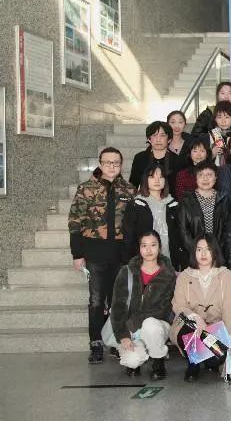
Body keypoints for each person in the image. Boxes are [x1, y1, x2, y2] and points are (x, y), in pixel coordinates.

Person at [68, 147, 136, 364]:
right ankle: (96, 342)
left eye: (116, 163)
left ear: (121, 165)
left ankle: (115, 340)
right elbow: (75, 222)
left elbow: (133, 224)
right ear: (100, 163)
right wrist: (77, 254)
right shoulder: (87, 188)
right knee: (97, 300)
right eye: (107, 162)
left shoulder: (129, 190)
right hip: (94, 252)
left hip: (120, 253)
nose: (112, 166)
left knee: (118, 300)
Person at [170, 234, 231, 382]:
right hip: (190, 326)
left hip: (216, 328)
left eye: (208, 249)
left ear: (215, 252)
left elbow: (230, 308)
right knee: (188, 331)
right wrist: (196, 318)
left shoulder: (226, 275)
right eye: (199, 249)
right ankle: (193, 364)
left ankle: (211, 361)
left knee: (216, 358)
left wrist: (229, 339)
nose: (203, 253)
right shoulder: (184, 276)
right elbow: (178, 305)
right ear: (193, 252)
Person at [110, 230, 176, 379]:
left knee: (150, 325)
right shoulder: (126, 272)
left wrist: (136, 322)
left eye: (153, 245)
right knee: (132, 362)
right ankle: (141, 353)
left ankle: (158, 360)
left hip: (157, 326)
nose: (148, 250)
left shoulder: (169, 274)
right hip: (131, 330)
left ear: (159, 247)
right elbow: (117, 307)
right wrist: (123, 335)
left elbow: (165, 309)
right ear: (139, 248)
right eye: (144, 245)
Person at [122, 165, 183, 269]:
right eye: (152, 177)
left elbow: (180, 234)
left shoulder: (174, 204)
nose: (157, 180)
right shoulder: (136, 204)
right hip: (143, 262)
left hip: (170, 261)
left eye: (161, 177)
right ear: (145, 180)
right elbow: (129, 237)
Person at [178, 163, 231, 256]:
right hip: (194, 254)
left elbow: (228, 229)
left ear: (215, 178)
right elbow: (183, 230)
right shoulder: (186, 200)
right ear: (196, 178)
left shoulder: (224, 199)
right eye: (201, 175)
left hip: (218, 253)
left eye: (209, 175)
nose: (205, 178)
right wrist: (197, 251)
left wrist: (217, 250)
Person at [129, 121, 182, 192]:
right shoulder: (140, 158)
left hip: (171, 198)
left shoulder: (178, 160)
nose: (158, 139)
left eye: (162, 135)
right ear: (149, 139)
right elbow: (133, 184)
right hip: (145, 197)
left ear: (169, 139)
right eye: (154, 135)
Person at [208, 101, 231, 167]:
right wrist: (212, 154)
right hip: (216, 169)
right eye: (219, 117)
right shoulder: (212, 134)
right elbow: (203, 159)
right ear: (215, 119)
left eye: (227, 117)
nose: (223, 121)